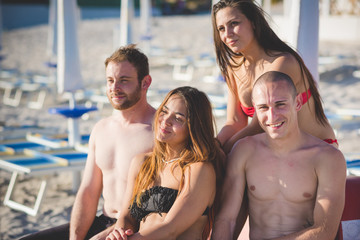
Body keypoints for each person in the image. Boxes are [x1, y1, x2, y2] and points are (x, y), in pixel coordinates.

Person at [20, 44, 156, 240]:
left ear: (145, 82)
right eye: (110, 80)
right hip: (104, 221)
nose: (114, 88)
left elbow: (157, 203)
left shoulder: (160, 130)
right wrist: (76, 237)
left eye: (124, 80)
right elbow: (88, 192)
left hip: (136, 228)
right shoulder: (101, 129)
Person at [211, 71, 346, 240]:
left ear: (297, 102)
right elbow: (226, 218)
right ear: (255, 109)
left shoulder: (327, 158)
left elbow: (324, 232)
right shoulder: (244, 151)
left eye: (280, 104)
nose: (272, 116)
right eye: (263, 108)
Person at [211, 0, 337, 154]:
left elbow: (259, 125)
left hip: (316, 149)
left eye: (234, 23)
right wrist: (215, 145)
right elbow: (235, 122)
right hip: (279, 151)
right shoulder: (233, 68)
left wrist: (221, 153)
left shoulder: (282, 63)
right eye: (221, 29)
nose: (228, 34)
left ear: (253, 22)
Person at [104, 86, 224, 240]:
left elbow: (170, 229)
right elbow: (127, 218)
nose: (166, 121)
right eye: (164, 111)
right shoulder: (142, 163)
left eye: (178, 118)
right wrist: (119, 234)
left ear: (193, 127)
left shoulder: (198, 169)